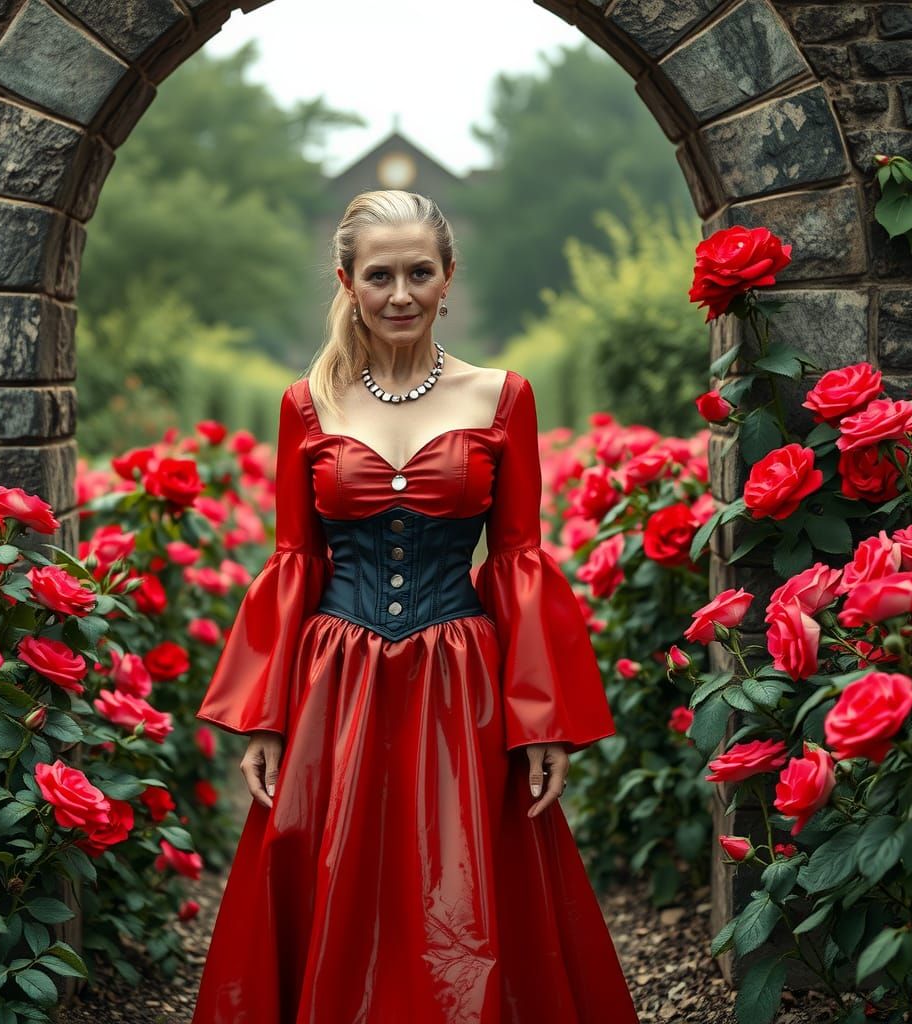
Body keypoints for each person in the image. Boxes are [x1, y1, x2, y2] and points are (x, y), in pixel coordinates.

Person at [190, 189, 639, 1023]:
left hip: (460, 683)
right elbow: (295, 560)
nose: (401, 294)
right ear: (347, 281)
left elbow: (517, 558)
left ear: (448, 277)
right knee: (328, 872)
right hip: (335, 685)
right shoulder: (305, 404)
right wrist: (265, 719)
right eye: (380, 276)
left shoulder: (503, 396)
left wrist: (540, 720)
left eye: (419, 273)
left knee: (463, 884)